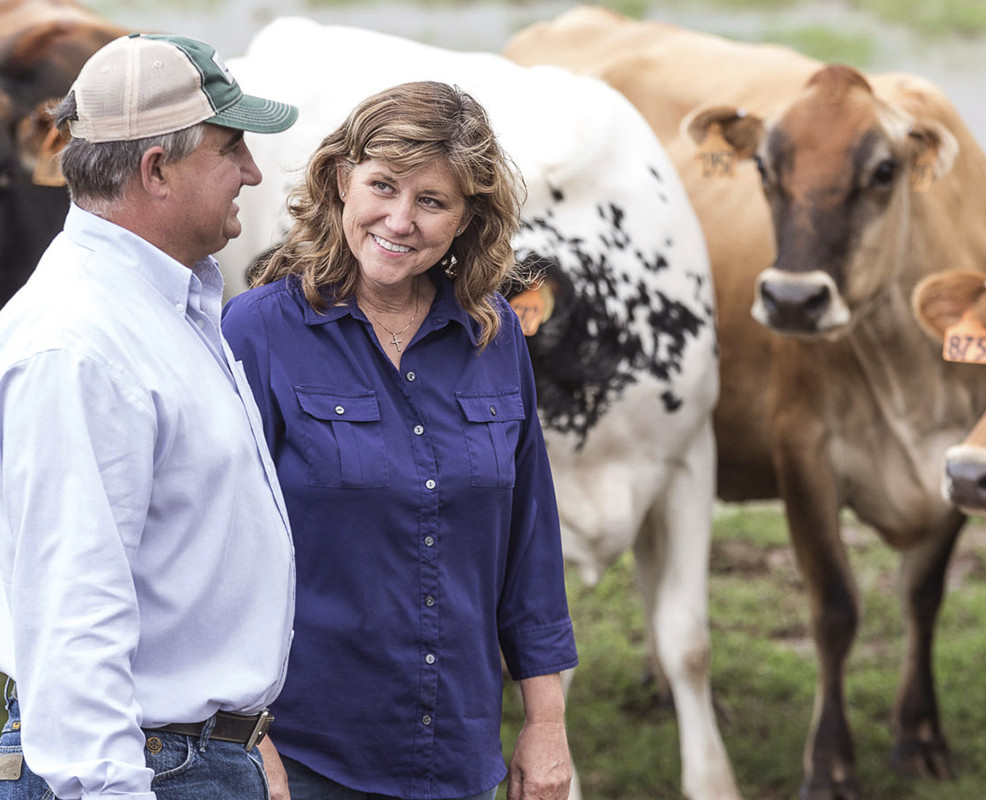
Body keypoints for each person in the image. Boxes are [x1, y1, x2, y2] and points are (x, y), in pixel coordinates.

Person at [221, 80, 578, 800]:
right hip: (308, 756)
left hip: (458, 755)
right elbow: (219, 554)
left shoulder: (495, 334)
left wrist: (547, 722)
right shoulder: (258, 330)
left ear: (466, 219)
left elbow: (529, 546)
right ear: (341, 181)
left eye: (432, 201)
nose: (400, 220)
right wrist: (248, 741)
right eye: (382, 186)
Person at [0, 32, 300, 800]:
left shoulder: (163, 303)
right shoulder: (81, 344)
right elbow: (74, 611)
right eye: (231, 148)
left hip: (188, 755)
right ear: (156, 169)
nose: (253, 172)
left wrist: (244, 728)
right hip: (144, 770)